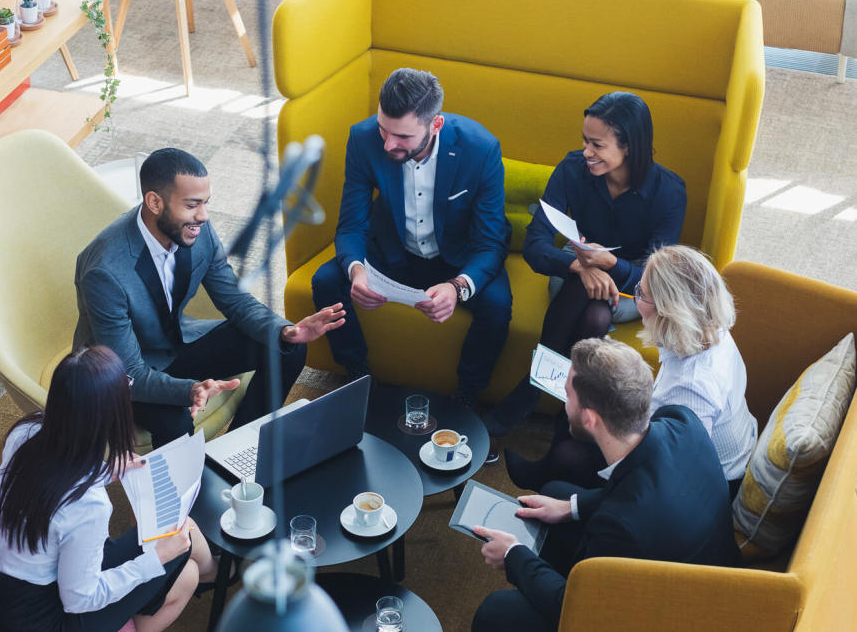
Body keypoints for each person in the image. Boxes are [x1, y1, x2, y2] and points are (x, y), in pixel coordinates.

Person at [469, 338, 740, 632]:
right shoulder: (681, 422)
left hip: (668, 628)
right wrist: (571, 507)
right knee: (557, 492)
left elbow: (575, 604)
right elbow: (639, 482)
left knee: (495, 614)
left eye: (567, 394)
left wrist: (513, 555)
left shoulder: (621, 528)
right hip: (711, 575)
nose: (563, 402)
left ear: (591, 418)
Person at [74, 148, 345, 448]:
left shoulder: (194, 228)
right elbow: (130, 372)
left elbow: (233, 298)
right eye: (192, 205)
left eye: (205, 203)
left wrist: (285, 330)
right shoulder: (105, 270)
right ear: (154, 202)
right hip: (119, 376)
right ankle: (193, 493)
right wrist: (190, 389)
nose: (203, 216)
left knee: (286, 346)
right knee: (176, 421)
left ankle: (240, 454)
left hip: (173, 345)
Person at [0, 346, 218, 632]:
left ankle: (208, 574)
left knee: (184, 569)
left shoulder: (27, 431)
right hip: (38, 630)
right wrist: (156, 558)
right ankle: (214, 574)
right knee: (180, 538)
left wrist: (105, 470)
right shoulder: (88, 504)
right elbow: (80, 598)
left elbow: (50, 486)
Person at [310, 67, 512, 420]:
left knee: (497, 305)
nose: (388, 143)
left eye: (402, 136)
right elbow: (352, 224)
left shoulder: (481, 148)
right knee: (326, 280)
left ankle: (467, 396)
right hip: (392, 250)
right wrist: (357, 270)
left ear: (435, 125)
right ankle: (358, 375)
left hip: (455, 258)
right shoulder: (362, 138)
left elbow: (491, 243)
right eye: (383, 129)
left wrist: (458, 287)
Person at [485, 92, 686, 437]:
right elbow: (535, 245)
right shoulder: (573, 169)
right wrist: (581, 267)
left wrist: (611, 264)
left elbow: (658, 283)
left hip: (634, 285)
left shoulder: (669, 192)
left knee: (597, 311)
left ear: (630, 147)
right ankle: (567, 431)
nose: (587, 152)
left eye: (597, 145)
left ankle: (533, 389)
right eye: (585, 141)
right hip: (573, 267)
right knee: (593, 311)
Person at [507, 246, 757, 496]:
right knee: (586, 402)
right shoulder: (709, 328)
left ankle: (549, 481)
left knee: (572, 450)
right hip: (705, 444)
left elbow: (671, 470)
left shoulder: (691, 388)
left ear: (668, 311)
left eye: (642, 293)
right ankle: (545, 471)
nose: (635, 299)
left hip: (707, 482)